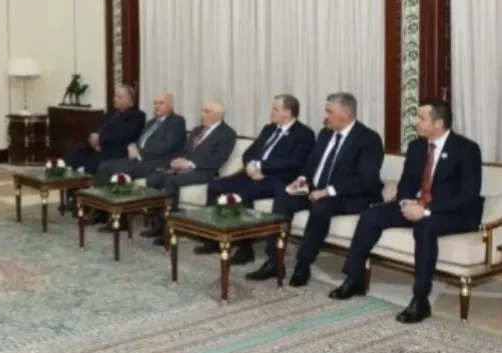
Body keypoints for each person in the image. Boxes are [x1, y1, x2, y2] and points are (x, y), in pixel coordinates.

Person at [331, 100, 482, 324]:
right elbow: (405, 184)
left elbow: (468, 195)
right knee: (371, 216)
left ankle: (420, 300)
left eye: (421, 118)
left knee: (425, 227)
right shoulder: (417, 147)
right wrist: (405, 203)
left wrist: (426, 210)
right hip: (417, 206)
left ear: (438, 123)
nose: (415, 122)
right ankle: (355, 279)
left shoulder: (466, 149)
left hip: (454, 213)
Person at [246, 92, 384, 286]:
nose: (325, 116)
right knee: (284, 196)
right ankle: (274, 260)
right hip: (315, 189)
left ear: (345, 113)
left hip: (348, 195)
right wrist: (300, 181)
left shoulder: (368, 139)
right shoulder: (325, 134)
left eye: (329, 111)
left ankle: (303, 264)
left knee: (321, 206)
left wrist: (328, 191)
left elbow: (365, 180)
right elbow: (310, 165)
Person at [202, 94, 315, 264]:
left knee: (242, 191)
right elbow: (249, 152)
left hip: (277, 179)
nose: (272, 112)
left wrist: (262, 168)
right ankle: (214, 239)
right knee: (215, 186)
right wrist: (251, 166)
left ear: (288, 112)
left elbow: (294, 162)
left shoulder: (304, 134)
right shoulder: (269, 129)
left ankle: (245, 248)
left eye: (275, 109)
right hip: (253, 174)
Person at [142, 99, 237, 245]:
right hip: (184, 168)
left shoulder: (227, 134)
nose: (202, 114)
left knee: (171, 181)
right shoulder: (197, 130)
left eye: (207, 112)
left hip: (205, 172)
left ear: (218, 115)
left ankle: (170, 228)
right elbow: (185, 151)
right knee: (154, 177)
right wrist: (177, 161)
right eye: (202, 111)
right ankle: (158, 223)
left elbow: (217, 160)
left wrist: (190, 164)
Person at [62, 85, 146, 207]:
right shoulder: (112, 113)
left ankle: (91, 202)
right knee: (72, 157)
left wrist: (100, 139)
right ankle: (73, 196)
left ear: (129, 99)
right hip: (97, 147)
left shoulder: (137, 115)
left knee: (92, 163)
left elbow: (124, 134)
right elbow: (95, 126)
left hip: (116, 150)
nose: (115, 99)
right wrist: (92, 137)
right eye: (115, 96)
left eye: (119, 97)